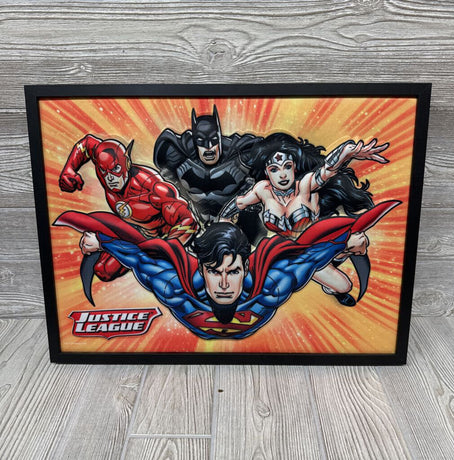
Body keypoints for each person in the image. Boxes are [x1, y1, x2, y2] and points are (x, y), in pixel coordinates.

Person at [57, 201, 399, 339]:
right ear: (200, 268)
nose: (223, 283)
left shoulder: (272, 284)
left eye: (232, 272)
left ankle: (329, 280)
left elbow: (310, 253)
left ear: (245, 267)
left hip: (275, 266)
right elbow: (135, 252)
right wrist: (101, 241)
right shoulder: (174, 284)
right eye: (214, 272)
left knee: (342, 285)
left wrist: (347, 242)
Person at [220, 133, 390, 306]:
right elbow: (238, 203)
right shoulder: (263, 190)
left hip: (315, 250)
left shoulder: (305, 186)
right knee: (254, 286)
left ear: (294, 167)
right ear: (266, 172)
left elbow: (327, 169)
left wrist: (346, 152)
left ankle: (335, 264)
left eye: (287, 167)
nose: (282, 175)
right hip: (284, 255)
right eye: (274, 169)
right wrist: (221, 223)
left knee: (346, 282)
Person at [58, 134, 197, 282]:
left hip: (161, 241)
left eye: (115, 169)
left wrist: (166, 251)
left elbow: (188, 221)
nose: (110, 178)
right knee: (103, 270)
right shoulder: (104, 162)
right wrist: (69, 169)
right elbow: (86, 144)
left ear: (127, 163)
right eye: (104, 171)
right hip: (134, 233)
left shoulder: (152, 189)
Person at [153, 105, 266, 244]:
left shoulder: (239, 151)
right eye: (201, 141)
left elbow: (266, 153)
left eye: (213, 140)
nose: (208, 147)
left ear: (219, 137)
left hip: (237, 225)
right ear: (195, 141)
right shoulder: (176, 151)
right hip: (195, 226)